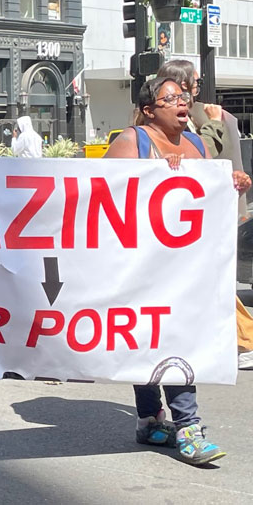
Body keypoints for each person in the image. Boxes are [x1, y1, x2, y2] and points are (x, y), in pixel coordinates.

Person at [105, 76, 250, 466]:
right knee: (150, 341)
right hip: (140, 267)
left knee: (174, 339)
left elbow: (203, 198)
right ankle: (177, 425)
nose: (182, 102)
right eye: (171, 98)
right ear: (150, 109)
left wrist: (230, 182)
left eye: (184, 96)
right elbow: (102, 193)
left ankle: (161, 423)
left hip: (184, 269)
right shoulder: (132, 141)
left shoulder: (198, 143)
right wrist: (154, 174)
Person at [156, 59, 253, 370]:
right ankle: (242, 341)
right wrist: (213, 124)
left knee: (215, 283)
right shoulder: (182, 122)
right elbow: (197, 158)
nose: (195, 91)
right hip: (178, 221)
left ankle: (240, 340)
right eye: (193, 84)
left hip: (195, 219)